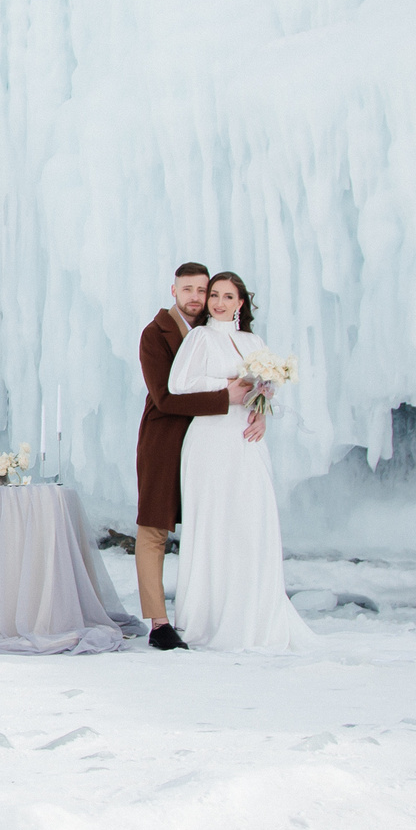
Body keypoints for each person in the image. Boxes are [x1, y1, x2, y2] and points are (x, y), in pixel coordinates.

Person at [165, 272, 318, 652]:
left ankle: (255, 615)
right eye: (213, 295)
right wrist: (226, 390)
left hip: (246, 440)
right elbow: (177, 385)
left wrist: (262, 409)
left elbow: (263, 389)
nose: (217, 303)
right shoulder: (200, 337)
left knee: (251, 520)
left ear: (240, 303)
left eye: (227, 296)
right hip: (210, 440)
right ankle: (208, 617)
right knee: (216, 522)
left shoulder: (254, 342)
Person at [135, 263, 259, 651]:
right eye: (187, 289)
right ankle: (159, 623)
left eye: (202, 290)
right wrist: (228, 397)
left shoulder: (218, 334)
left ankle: (214, 612)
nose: (196, 297)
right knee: (154, 527)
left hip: (211, 444)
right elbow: (165, 397)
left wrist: (258, 409)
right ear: (173, 290)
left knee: (214, 524)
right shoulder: (156, 334)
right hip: (165, 439)